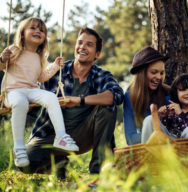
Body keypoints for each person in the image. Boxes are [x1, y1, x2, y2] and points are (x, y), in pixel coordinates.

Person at [18, 27, 124, 177]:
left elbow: (116, 95)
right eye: (80, 43)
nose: (82, 47)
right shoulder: (57, 72)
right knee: (25, 161)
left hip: (81, 135)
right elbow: (34, 95)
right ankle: (60, 166)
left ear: (97, 54)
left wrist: (80, 100)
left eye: (89, 44)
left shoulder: (100, 75)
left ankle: (98, 171)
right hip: (51, 135)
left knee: (107, 108)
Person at [0, 17, 79, 168]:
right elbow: (1, 66)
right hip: (12, 92)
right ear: (22, 34)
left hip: (31, 89)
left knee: (51, 97)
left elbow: (41, 77)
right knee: (20, 102)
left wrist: (55, 66)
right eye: (33, 28)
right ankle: (19, 148)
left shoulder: (39, 56)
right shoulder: (15, 50)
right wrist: (3, 58)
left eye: (42, 30)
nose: (38, 31)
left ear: (44, 38)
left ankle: (61, 136)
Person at [141, 73, 188, 142]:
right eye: (183, 90)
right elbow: (165, 131)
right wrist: (163, 117)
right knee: (150, 119)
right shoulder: (173, 109)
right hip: (171, 144)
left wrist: (180, 114)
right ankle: (145, 151)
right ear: (176, 94)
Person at [123, 47, 170, 145]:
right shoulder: (129, 96)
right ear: (142, 73)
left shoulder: (168, 93)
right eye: (154, 72)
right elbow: (130, 139)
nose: (159, 77)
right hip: (147, 148)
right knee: (149, 121)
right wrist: (152, 131)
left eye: (161, 73)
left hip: (168, 145)